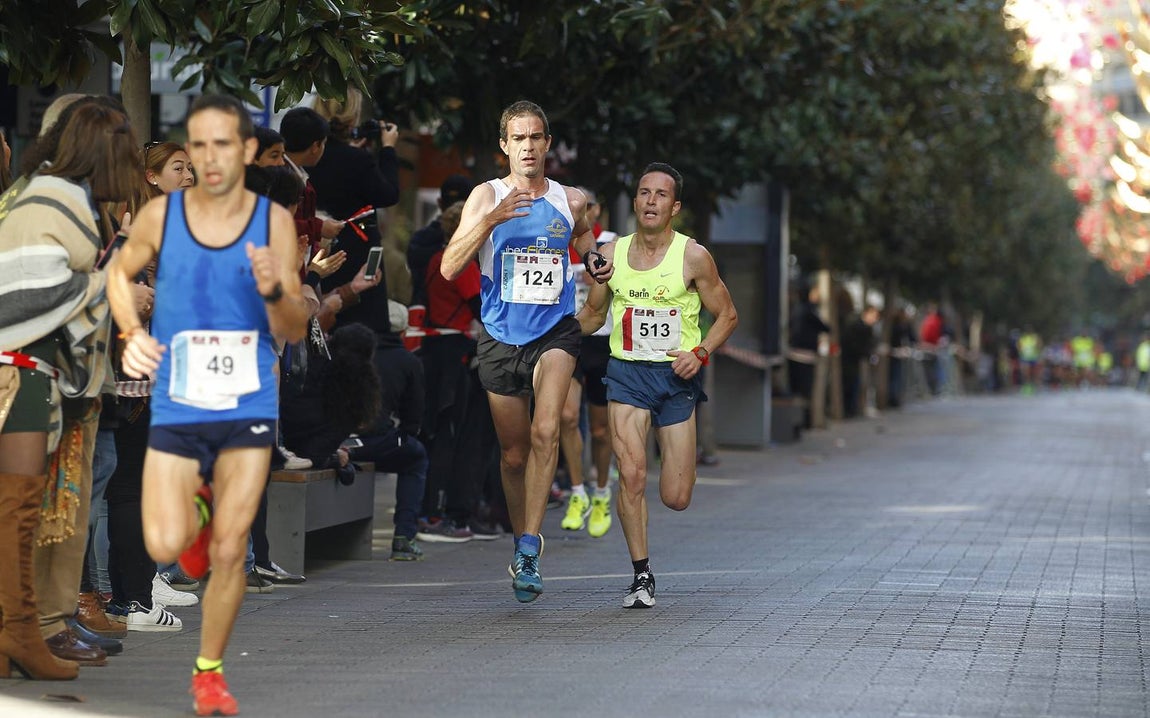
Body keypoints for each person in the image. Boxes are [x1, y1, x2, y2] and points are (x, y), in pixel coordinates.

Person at [106, 94, 307, 716]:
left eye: (223, 144)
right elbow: (118, 276)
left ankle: (209, 672)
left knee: (230, 547)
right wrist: (130, 332)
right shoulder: (161, 217)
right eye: (199, 146)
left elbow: (295, 324)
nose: (210, 158)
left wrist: (274, 290)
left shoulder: (272, 224)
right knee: (168, 539)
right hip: (180, 396)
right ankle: (190, 520)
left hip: (248, 395)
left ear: (245, 151)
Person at [441, 100, 610, 602]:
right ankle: (521, 542)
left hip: (555, 332)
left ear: (547, 143)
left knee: (546, 429)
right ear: (505, 146)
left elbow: (583, 236)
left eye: (536, 137)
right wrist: (490, 220)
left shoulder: (570, 198)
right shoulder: (485, 196)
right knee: (513, 456)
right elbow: (450, 266)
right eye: (519, 139)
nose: (529, 147)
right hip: (499, 335)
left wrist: (593, 260)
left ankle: (533, 546)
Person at [0, 101, 141, 679]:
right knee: (19, 509)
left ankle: (20, 633)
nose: (131, 168)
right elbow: (25, 295)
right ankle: (23, 632)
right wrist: (112, 281)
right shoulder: (49, 201)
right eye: (124, 155)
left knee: (25, 509)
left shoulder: (60, 197)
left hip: (40, 372)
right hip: (21, 371)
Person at [577, 162, 737, 609]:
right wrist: (552, 334)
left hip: (674, 378)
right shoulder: (610, 254)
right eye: (644, 193)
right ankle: (641, 573)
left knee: (676, 496)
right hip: (626, 374)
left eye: (661, 195)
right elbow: (593, 314)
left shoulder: (693, 256)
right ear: (635, 202)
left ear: (675, 207)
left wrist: (699, 353)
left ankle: (671, 494)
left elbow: (727, 315)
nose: (651, 201)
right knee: (630, 474)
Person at [308, 90, 402, 334]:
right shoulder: (357, 160)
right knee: (361, 330)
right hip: (357, 253)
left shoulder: (307, 156)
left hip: (315, 252)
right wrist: (388, 149)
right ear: (353, 116)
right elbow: (388, 194)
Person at [560, 187, 616, 537]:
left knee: (599, 429)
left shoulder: (610, 243)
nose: (579, 211)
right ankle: (577, 491)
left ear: (595, 209)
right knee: (567, 417)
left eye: (586, 206)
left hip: (603, 340)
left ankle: (601, 492)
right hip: (569, 337)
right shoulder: (556, 241)